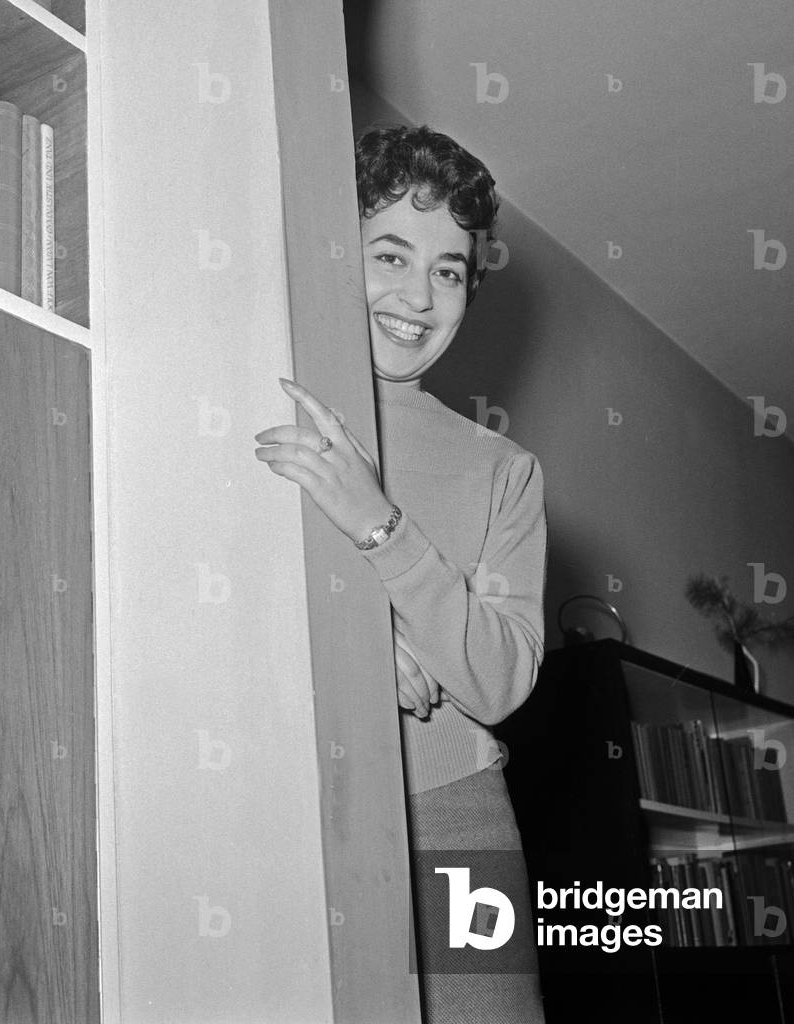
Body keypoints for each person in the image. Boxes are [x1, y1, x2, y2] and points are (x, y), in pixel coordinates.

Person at [254, 124, 547, 1024]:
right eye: (390, 253)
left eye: (450, 270)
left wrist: (378, 524)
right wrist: (356, 639)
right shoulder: (263, 388)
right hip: (279, 791)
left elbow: (498, 680)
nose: (419, 295)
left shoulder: (506, 469)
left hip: (460, 813)